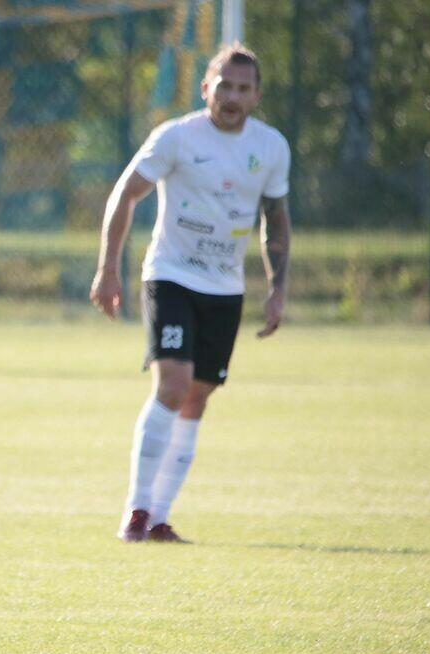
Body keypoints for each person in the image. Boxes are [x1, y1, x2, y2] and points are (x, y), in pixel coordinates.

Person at [89, 44, 292, 543]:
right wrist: (107, 269)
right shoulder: (176, 137)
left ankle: (159, 518)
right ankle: (136, 512)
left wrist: (277, 288)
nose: (232, 97)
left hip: (225, 287)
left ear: (256, 96)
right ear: (206, 88)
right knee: (173, 385)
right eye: (224, 86)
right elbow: (125, 194)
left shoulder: (270, 148)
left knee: (197, 397)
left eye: (243, 89)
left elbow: (275, 218)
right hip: (171, 275)